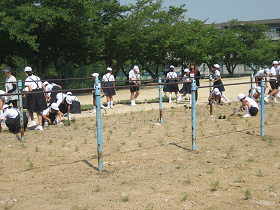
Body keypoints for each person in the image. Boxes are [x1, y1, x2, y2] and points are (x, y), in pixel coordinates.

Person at [24, 66, 49, 130]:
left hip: (34, 94)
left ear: (26, 73)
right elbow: (43, 86)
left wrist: (25, 94)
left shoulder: (27, 79)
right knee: (39, 110)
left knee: (28, 107)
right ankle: (40, 125)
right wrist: (46, 93)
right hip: (40, 92)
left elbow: (30, 89)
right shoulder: (37, 77)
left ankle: (33, 120)